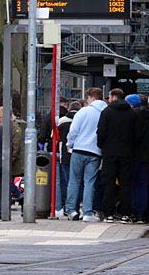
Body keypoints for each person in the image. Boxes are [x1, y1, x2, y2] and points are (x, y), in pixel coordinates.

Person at [65, 87, 107, 222]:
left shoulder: (83, 111)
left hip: (79, 149)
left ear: (91, 97)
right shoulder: (105, 113)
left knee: (74, 181)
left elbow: (73, 131)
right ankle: (88, 212)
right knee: (90, 182)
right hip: (95, 152)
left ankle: (71, 210)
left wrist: (70, 144)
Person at [97, 88, 139, 223]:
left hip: (109, 152)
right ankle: (125, 213)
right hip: (127, 153)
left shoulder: (107, 112)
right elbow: (136, 134)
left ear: (114, 97)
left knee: (108, 182)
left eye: (109, 97)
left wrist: (102, 145)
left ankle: (108, 213)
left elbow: (101, 132)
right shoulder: (132, 114)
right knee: (125, 183)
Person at [127, 94, 149, 223]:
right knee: (145, 185)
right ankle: (145, 214)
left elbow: (132, 137)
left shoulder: (133, 118)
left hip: (135, 156)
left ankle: (136, 213)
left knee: (135, 185)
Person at [55, 101, 81, 218]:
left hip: (65, 155)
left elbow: (54, 138)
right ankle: (77, 207)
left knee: (67, 182)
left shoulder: (61, 121)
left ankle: (68, 207)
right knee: (80, 182)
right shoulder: (81, 119)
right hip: (79, 153)